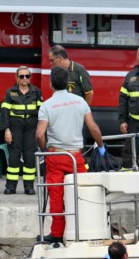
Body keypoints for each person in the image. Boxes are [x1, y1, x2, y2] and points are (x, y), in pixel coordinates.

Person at [35, 66, 104, 244]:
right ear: (68, 83)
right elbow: (93, 128)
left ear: (51, 83)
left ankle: (57, 234)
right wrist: (101, 146)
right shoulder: (80, 102)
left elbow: (40, 134)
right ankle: (86, 231)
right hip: (76, 157)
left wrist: (43, 150)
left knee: (56, 195)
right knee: (82, 194)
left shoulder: (46, 105)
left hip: (55, 156)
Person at [1, 66, 42, 195]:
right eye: (21, 76)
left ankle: (29, 186)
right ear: (16, 78)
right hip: (15, 127)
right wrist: (6, 130)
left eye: (27, 76)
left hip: (31, 128)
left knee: (30, 157)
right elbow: (5, 112)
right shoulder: (10, 92)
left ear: (30, 77)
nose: (25, 78)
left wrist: (41, 129)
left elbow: (42, 112)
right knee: (14, 156)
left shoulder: (36, 92)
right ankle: (10, 186)